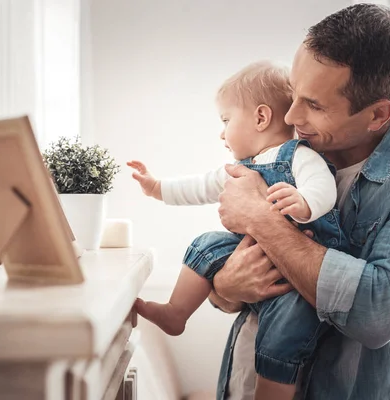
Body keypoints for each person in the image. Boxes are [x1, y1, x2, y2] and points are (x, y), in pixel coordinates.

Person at [210, 4, 390, 400]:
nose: (290, 116)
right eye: (295, 93)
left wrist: (260, 218)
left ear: (377, 114)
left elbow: (375, 314)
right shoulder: (287, 150)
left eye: (315, 105)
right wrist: (224, 286)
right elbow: (225, 286)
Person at [128, 61, 348, 400]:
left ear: (260, 118)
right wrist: (157, 187)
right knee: (204, 245)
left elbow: (323, 187)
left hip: (295, 280)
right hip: (253, 254)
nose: (221, 133)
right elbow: (198, 187)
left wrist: (304, 203)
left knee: (281, 342)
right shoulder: (238, 168)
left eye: (226, 121)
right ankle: (176, 313)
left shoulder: (298, 156)